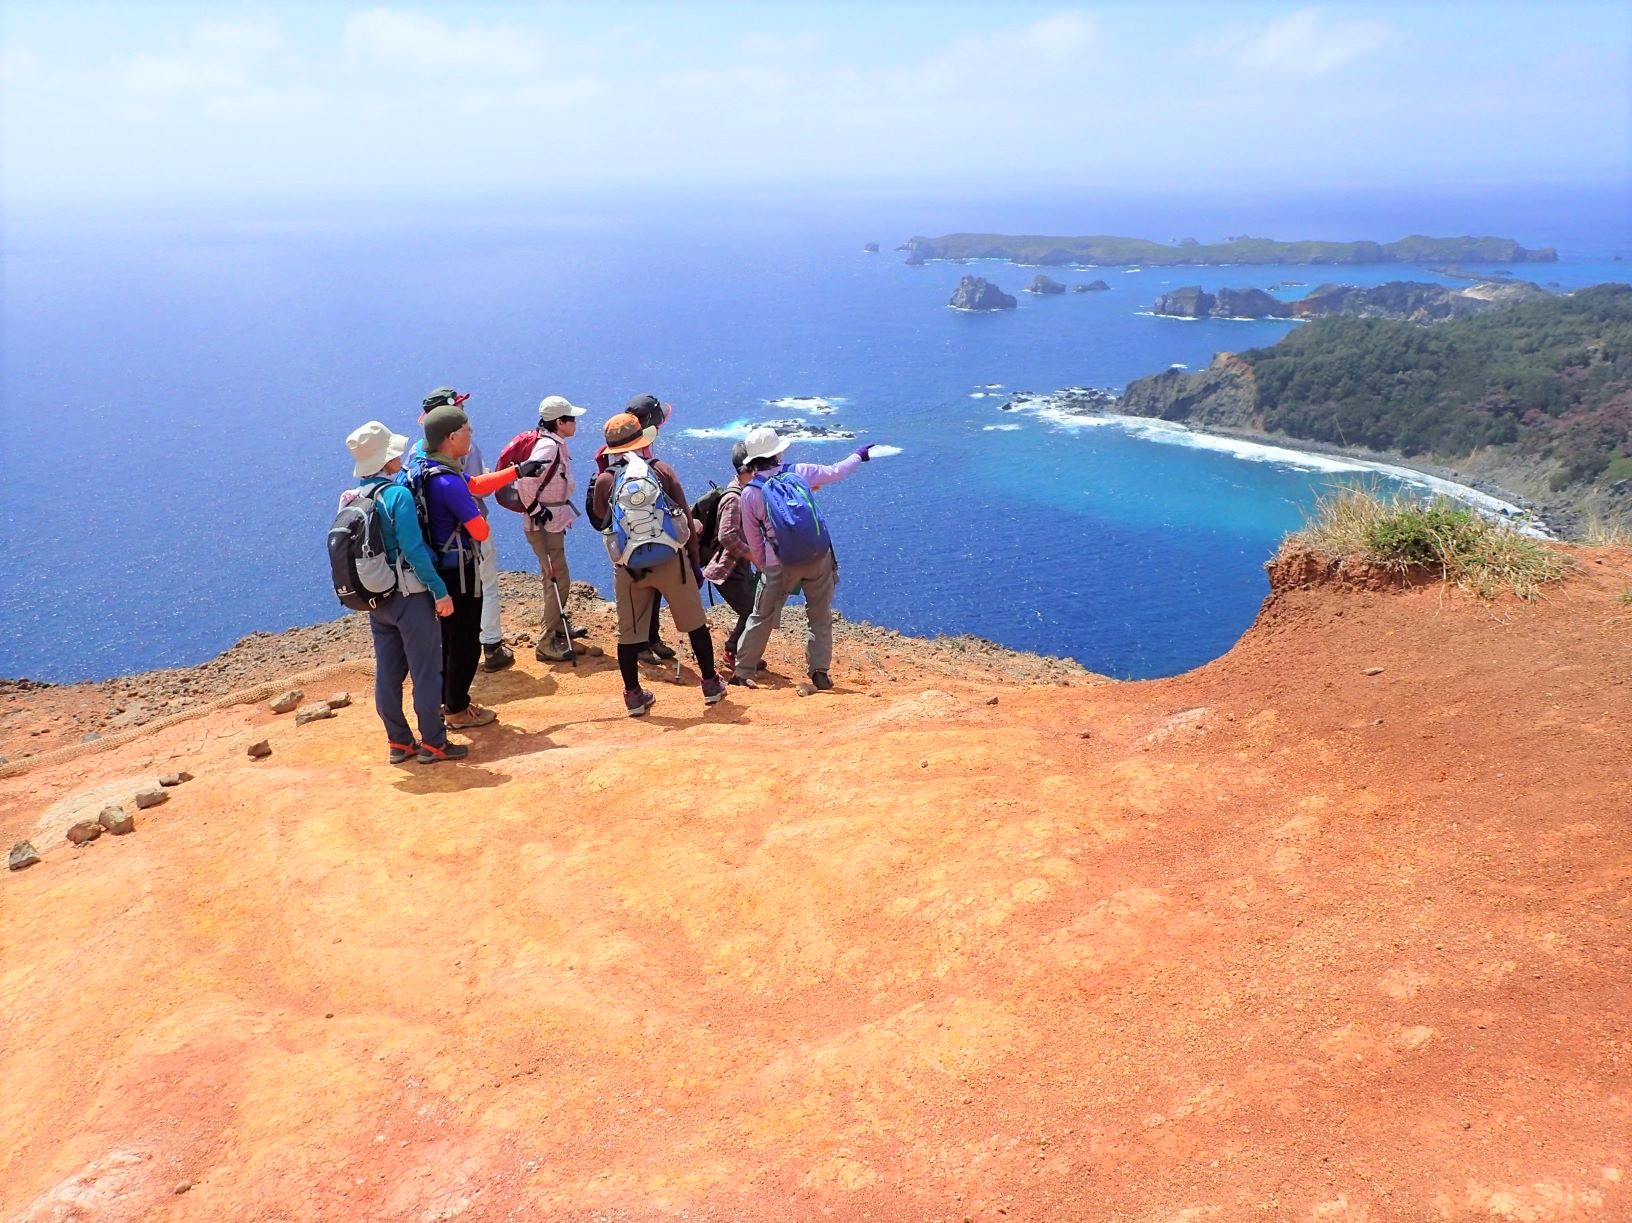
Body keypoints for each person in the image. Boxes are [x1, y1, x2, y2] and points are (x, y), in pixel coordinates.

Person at [341, 421, 467, 764]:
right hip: (409, 597)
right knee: (426, 671)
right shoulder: (397, 494)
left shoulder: (352, 497)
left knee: (388, 672)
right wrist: (440, 592)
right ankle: (434, 743)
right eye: (393, 452)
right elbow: (413, 549)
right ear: (386, 460)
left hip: (375, 599)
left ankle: (399, 742)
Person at [416, 404, 548, 728]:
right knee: (464, 641)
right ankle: (458, 710)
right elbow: (480, 529)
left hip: (440, 569)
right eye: (466, 430)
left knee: (448, 638)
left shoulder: (432, 466)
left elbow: (475, 484)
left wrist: (517, 471)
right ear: (450, 437)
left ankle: (444, 702)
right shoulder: (448, 483)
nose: (471, 435)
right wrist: (471, 520)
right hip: (459, 571)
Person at [589, 411, 726, 716]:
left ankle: (634, 696)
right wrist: (693, 562)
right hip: (670, 562)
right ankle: (710, 685)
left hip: (629, 567)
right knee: (695, 626)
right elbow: (686, 520)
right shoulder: (661, 470)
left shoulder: (606, 479)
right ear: (642, 442)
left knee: (629, 633)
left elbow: (601, 517)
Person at [731, 426, 875, 691]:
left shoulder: (750, 493)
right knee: (819, 615)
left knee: (761, 615)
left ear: (752, 460)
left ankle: (743, 672)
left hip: (780, 563)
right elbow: (836, 471)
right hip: (818, 557)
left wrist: (768, 569)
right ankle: (819, 672)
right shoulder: (799, 471)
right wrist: (858, 455)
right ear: (777, 453)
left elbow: (754, 539)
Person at [420, 386, 514, 674]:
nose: (465, 415)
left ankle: (445, 675)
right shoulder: (459, 449)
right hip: (463, 540)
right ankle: (492, 646)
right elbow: (475, 489)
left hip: (433, 544)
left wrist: (518, 471)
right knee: (484, 588)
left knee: (448, 615)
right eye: (458, 406)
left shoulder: (419, 450)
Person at [596, 392, 679, 665]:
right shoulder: (628, 448)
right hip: (629, 529)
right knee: (637, 588)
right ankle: (640, 645)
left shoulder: (635, 440)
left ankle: (652, 638)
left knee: (652, 586)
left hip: (647, 526)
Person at [516, 394, 590, 662]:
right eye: (572, 419)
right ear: (560, 422)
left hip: (551, 522)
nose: (576, 423)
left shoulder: (553, 443)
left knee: (557, 576)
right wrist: (538, 511)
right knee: (556, 579)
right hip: (544, 525)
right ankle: (546, 642)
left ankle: (558, 626)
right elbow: (524, 482)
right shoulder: (548, 448)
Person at [700, 441, 757, 675]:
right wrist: (753, 555)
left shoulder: (744, 492)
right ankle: (733, 651)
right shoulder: (734, 498)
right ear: (750, 468)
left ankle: (742, 651)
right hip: (727, 570)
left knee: (754, 609)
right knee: (752, 610)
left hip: (738, 567)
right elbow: (727, 536)